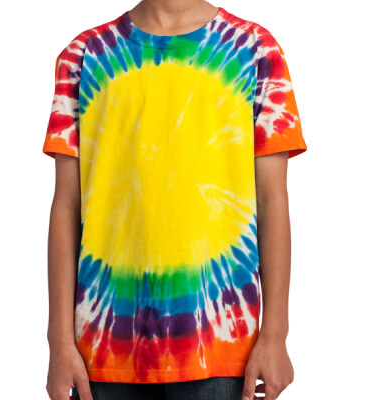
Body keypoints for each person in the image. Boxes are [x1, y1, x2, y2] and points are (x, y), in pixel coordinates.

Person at [43, 1, 307, 399]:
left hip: (221, 344)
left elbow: (272, 201)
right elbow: (66, 205)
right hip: (104, 348)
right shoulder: (83, 56)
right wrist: (58, 342)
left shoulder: (256, 50)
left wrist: (276, 334)